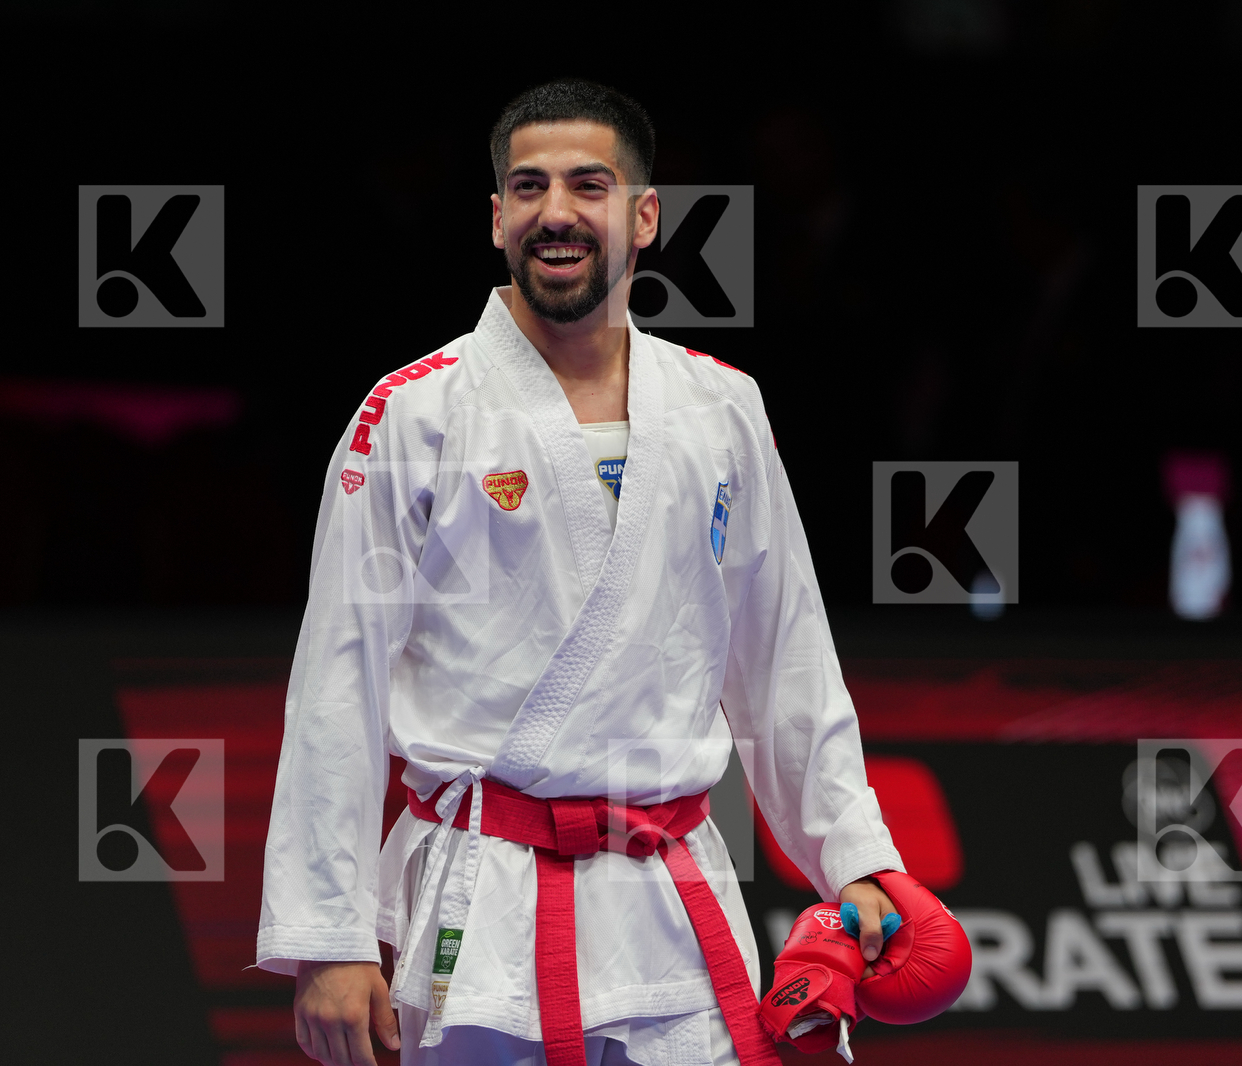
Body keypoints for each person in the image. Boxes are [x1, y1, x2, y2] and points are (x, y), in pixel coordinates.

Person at [258, 79, 903, 1066]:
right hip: (485, 900)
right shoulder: (414, 413)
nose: (555, 211)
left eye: (588, 185)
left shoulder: (722, 407)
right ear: (496, 218)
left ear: (643, 217)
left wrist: (852, 856)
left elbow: (786, 660)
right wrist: (330, 937)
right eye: (529, 187)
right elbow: (338, 680)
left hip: (672, 898)